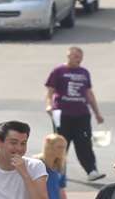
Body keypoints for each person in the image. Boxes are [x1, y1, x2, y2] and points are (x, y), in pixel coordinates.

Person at [45, 47, 106, 180]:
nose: (78, 59)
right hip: (62, 114)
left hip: (82, 114)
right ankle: (57, 170)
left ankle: (91, 170)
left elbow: (89, 93)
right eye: (75, 57)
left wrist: (97, 113)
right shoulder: (59, 71)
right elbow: (50, 91)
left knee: (84, 142)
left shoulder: (84, 72)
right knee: (60, 143)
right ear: (68, 56)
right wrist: (49, 105)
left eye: (80, 57)